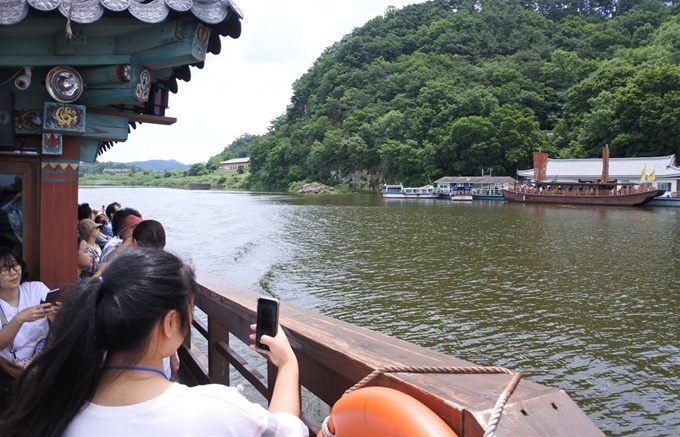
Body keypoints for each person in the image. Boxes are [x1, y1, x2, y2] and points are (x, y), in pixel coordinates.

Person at [0, 249, 307, 437]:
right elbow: (287, 430)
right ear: (171, 323)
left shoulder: (55, 405)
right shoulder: (216, 410)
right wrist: (287, 363)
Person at [0, 247, 56, 368]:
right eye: (5, 269)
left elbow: (61, 325)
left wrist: (56, 317)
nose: (13, 272)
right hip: (12, 372)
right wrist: (19, 319)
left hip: (45, 362)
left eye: (15, 265)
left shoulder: (36, 289)